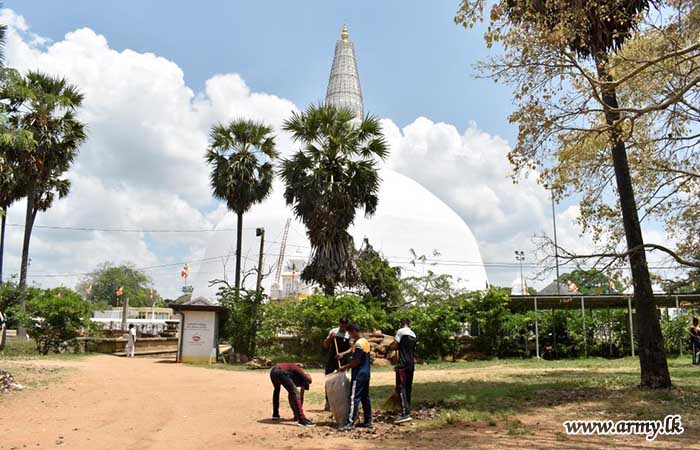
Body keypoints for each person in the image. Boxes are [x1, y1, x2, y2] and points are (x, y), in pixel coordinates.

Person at [337, 324, 372, 431]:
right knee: (365, 397)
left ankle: (350, 423)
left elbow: (356, 361)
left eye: (350, 333)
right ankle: (368, 421)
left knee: (354, 398)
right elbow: (352, 350)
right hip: (366, 374)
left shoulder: (358, 344)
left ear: (353, 331)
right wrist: (343, 354)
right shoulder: (364, 341)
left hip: (358, 375)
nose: (350, 336)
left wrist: (345, 367)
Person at [269, 363, 315, 427]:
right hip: (280, 372)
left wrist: (295, 413)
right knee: (294, 392)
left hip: (273, 371)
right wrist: (298, 414)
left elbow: (293, 395)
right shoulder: (303, 376)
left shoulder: (292, 372)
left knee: (277, 390)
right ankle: (302, 420)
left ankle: (275, 414)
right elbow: (298, 395)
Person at [390, 319, 417, 423]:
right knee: (408, 388)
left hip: (403, 364)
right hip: (411, 364)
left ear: (402, 324)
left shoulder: (400, 331)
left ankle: (405, 413)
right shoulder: (413, 334)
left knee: (401, 387)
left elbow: (395, 345)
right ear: (410, 324)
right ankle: (407, 411)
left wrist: (390, 347)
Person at [323, 316, 352, 410]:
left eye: (345, 325)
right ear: (339, 324)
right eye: (342, 325)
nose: (343, 327)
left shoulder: (349, 334)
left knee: (343, 381)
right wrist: (330, 338)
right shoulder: (333, 331)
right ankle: (328, 402)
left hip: (343, 360)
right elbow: (325, 345)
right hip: (332, 359)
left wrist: (343, 354)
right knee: (329, 380)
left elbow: (352, 348)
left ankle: (342, 401)